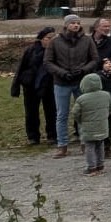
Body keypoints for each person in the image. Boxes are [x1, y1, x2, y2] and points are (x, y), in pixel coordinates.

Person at [44, 14, 100, 158]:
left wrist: (83, 70)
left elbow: (94, 59)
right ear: (66, 25)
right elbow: (48, 62)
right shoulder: (55, 41)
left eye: (78, 23)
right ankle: (62, 145)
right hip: (61, 82)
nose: (76, 25)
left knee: (83, 113)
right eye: (73, 23)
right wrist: (61, 72)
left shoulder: (87, 40)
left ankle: (84, 142)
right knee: (62, 114)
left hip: (81, 81)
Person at [11, 27, 58, 145]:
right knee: (31, 112)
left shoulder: (56, 51)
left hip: (50, 84)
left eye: (53, 38)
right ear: (41, 39)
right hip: (31, 85)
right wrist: (16, 86)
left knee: (51, 111)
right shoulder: (31, 51)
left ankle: (52, 135)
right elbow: (21, 68)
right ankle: (33, 137)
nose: (51, 40)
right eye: (48, 38)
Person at [72, 73, 111, 176]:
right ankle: (100, 165)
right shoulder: (106, 95)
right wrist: (105, 115)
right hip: (102, 126)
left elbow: (75, 113)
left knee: (89, 146)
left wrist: (80, 121)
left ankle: (91, 167)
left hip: (88, 128)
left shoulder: (81, 99)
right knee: (100, 145)